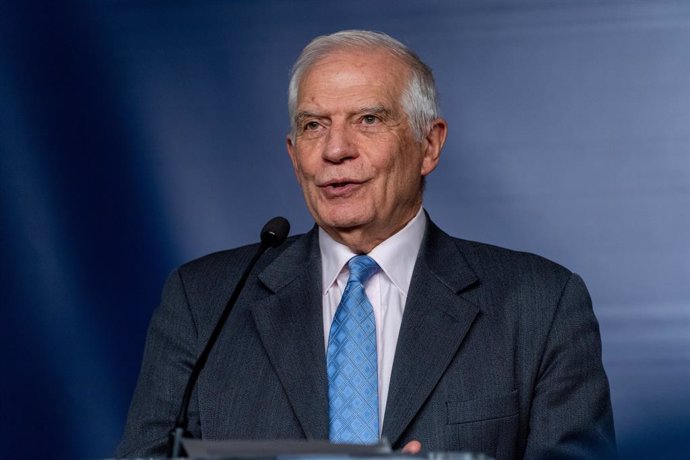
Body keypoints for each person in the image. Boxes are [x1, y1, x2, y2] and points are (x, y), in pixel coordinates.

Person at [117, 30, 616, 459]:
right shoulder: (203, 303)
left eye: (369, 120)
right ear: (295, 156)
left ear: (430, 144)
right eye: (314, 125)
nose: (336, 150)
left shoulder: (540, 305)